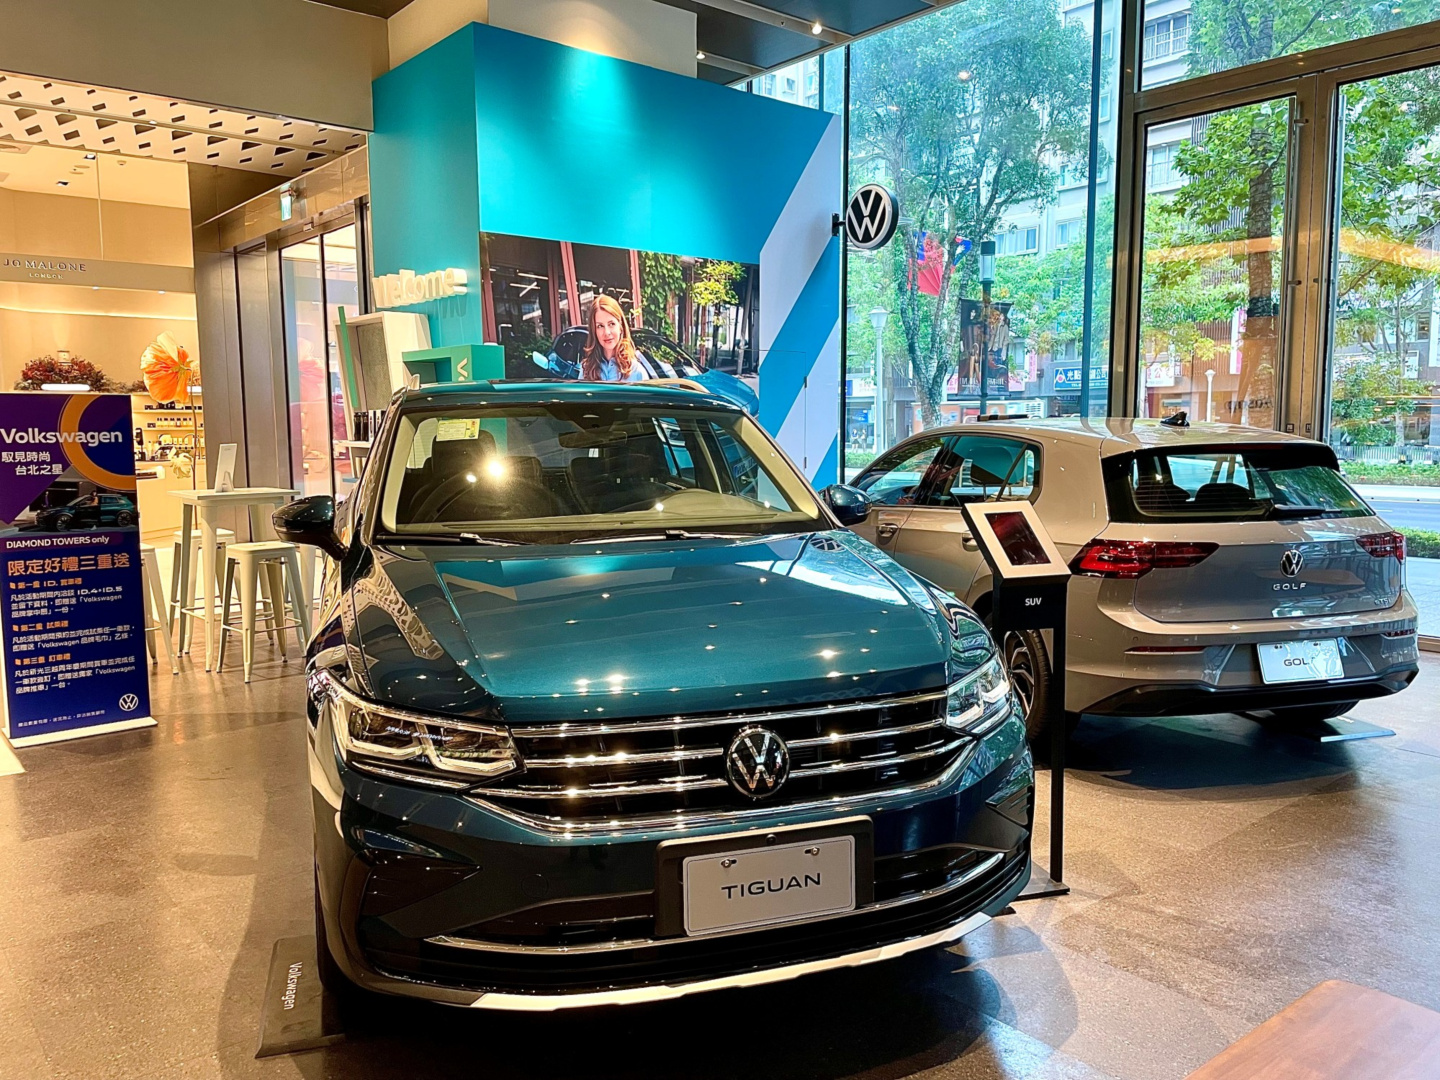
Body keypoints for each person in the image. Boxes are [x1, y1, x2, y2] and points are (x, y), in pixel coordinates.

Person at [581, 295, 647, 382]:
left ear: (620, 326)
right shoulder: (586, 370)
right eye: (600, 326)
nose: (607, 332)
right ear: (594, 331)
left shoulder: (636, 372)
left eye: (611, 324)